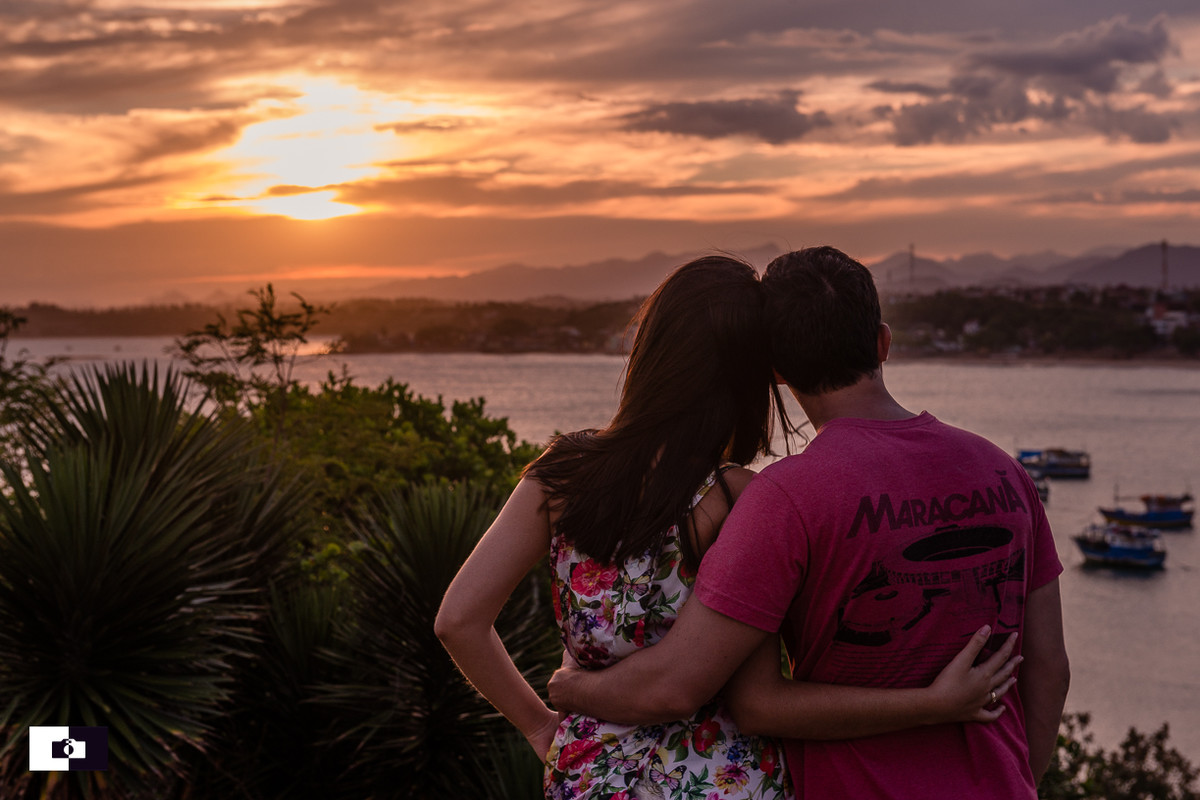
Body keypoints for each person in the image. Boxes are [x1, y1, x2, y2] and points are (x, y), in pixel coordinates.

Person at [437, 254, 1021, 800]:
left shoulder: (557, 476)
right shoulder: (736, 497)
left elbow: (459, 620)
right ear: (755, 377)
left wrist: (544, 726)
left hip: (592, 773)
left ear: (651, 351)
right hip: (724, 779)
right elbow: (754, 697)